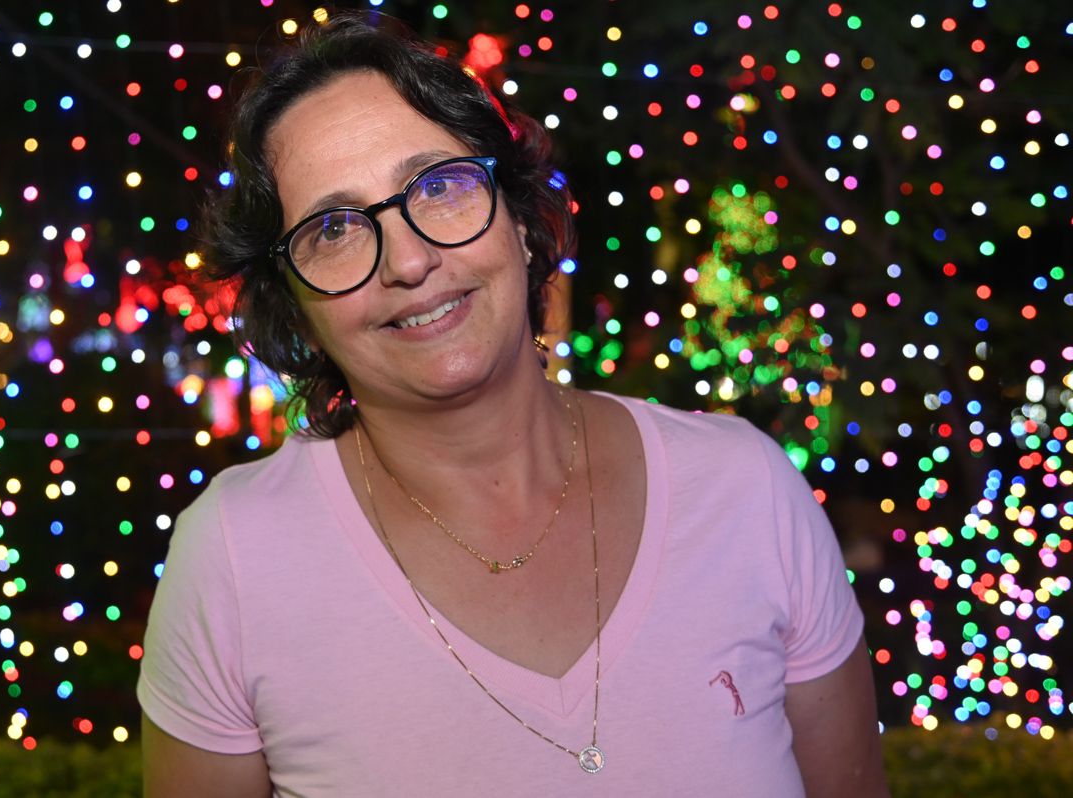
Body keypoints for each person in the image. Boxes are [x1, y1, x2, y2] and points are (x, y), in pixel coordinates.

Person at [137, 15, 890, 798]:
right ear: (294, 307)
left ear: (521, 220)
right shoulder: (235, 557)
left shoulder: (746, 490)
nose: (409, 261)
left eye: (439, 186)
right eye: (334, 229)